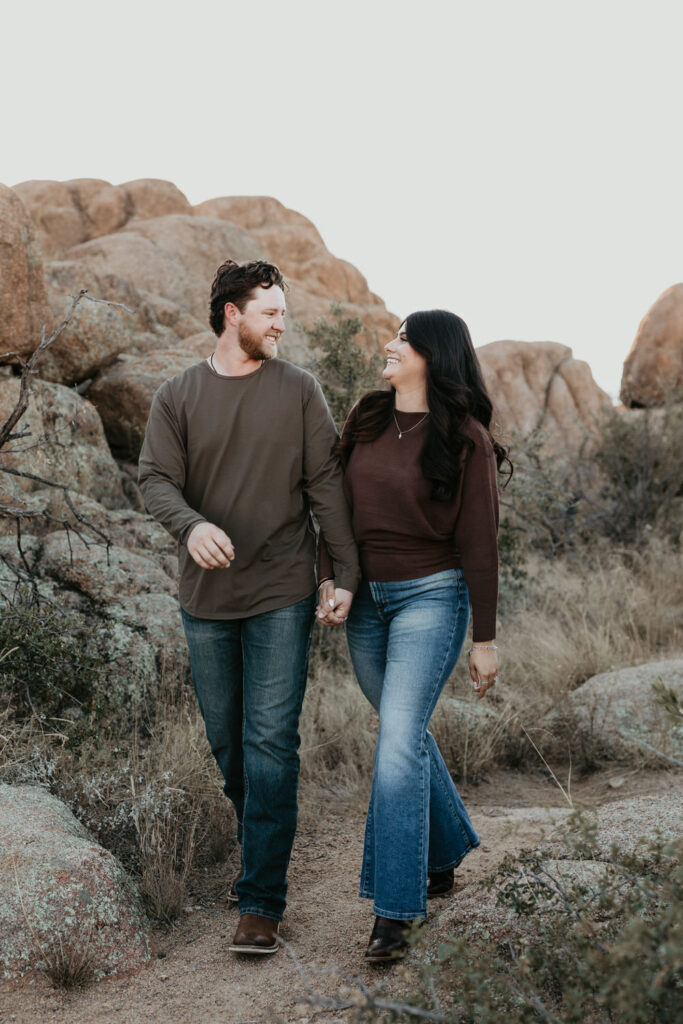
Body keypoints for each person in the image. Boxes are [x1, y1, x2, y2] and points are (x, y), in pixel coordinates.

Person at [138, 259, 359, 956]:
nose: (280, 323)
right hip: (205, 602)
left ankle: (259, 901)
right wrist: (191, 525)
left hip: (279, 593)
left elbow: (324, 485)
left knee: (270, 744)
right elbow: (155, 479)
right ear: (232, 313)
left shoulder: (298, 391)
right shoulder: (177, 395)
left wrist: (342, 572)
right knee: (230, 747)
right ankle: (260, 843)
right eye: (269, 312)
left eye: (282, 312)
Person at [317, 309, 511, 962]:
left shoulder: (466, 439)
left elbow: (479, 545)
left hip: (432, 596)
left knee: (396, 740)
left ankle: (396, 914)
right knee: (407, 735)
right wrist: (333, 580)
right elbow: (334, 511)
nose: (389, 345)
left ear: (434, 353)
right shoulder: (367, 417)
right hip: (367, 603)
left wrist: (483, 639)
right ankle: (447, 847)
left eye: (403, 338)